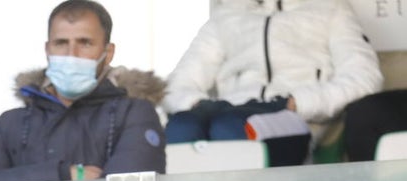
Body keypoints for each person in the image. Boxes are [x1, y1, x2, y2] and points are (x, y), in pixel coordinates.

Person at [0, 0, 165, 181]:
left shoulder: (134, 114)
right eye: (61, 43)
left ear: (108, 52)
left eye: (84, 43)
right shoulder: (10, 124)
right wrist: (64, 175)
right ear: (48, 49)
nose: (71, 54)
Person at [162, 0, 383, 166]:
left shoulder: (330, 9)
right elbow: (176, 86)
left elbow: (364, 78)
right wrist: (196, 104)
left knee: (229, 129)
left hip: (291, 114)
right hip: (230, 109)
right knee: (182, 127)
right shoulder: (227, 14)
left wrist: (299, 102)